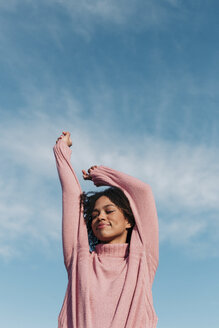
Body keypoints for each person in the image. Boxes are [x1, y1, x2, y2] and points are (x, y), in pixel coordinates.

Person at [53, 131, 159, 328]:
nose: (100, 217)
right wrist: (61, 150)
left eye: (109, 211)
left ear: (129, 220)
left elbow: (143, 192)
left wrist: (101, 175)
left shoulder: (142, 259)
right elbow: (71, 194)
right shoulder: (80, 259)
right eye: (94, 215)